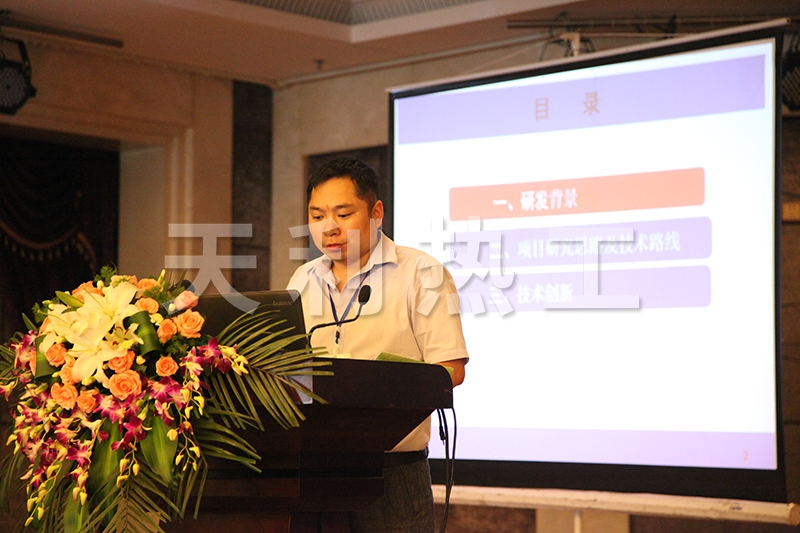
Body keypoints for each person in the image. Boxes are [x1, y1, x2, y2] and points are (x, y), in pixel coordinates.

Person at [287, 157, 468, 533]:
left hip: (392, 474)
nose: (329, 227)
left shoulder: (422, 273)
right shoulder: (303, 279)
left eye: (343, 214)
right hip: (315, 472)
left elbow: (450, 369)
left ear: (376, 212)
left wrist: (379, 391)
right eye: (317, 216)